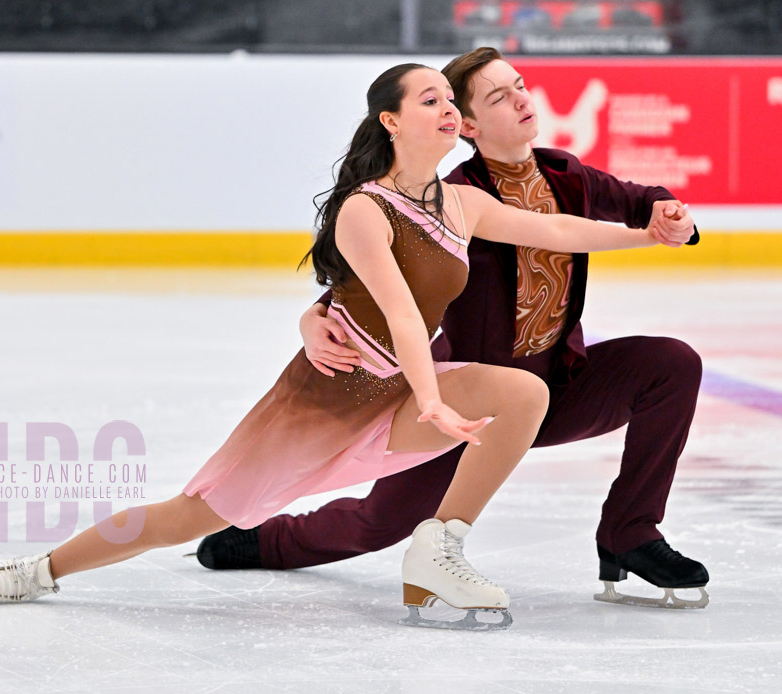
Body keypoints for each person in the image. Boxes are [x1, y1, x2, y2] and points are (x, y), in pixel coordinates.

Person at [0, 64, 689, 626]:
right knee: (191, 513)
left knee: (521, 392)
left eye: (450, 102)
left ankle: (441, 545)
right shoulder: (367, 210)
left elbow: (559, 231)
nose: (447, 110)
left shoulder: (463, 203)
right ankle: (40, 569)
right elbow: (398, 314)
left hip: (398, 390)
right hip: (325, 399)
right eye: (430, 99)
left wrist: (644, 234)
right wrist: (431, 398)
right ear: (391, 122)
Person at [196, 48, 709, 610]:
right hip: (470, 399)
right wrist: (312, 316)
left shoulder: (567, 173)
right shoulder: (451, 199)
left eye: (519, 85)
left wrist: (668, 213)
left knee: (672, 364)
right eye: (498, 97)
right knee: (379, 523)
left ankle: (630, 532)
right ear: (466, 125)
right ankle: (267, 540)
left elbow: (640, 201)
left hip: (558, 386)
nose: (521, 99)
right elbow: (380, 282)